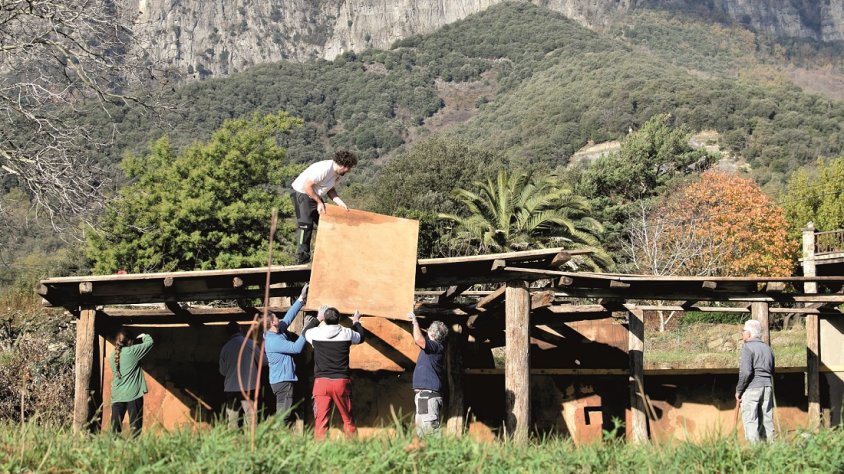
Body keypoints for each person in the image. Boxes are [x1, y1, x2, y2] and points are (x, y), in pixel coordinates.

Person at [304, 305, 366, 439]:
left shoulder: (316, 333)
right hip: (341, 382)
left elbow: (305, 332)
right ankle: (352, 449)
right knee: (347, 419)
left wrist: (317, 318)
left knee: (320, 421)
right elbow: (361, 337)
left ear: (324, 320)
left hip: (321, 382)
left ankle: (320, 453)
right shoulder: (347, 333)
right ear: (339, 319)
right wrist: (356, 321)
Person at [264, 283, 319, 425]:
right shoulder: (273, 340)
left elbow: (288, 318)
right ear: (272, 323)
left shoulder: (277, 331)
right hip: (283, 382)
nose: (279, 319)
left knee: (284, 414)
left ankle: (279, 440)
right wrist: (308, 328)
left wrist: (301, 298)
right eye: (276, 318)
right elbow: (296, 348)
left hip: (281, 381)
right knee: (285, 416)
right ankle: (279, 442)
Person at [290, 150, 358, 264]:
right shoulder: (324, 168)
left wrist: (339, 202)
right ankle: (302, 260)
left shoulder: (337, 174)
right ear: (342, 165)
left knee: (327, 223)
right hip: (301, 194)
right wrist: (319, 202)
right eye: (349, 168)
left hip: (314, 195)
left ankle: (328, 257)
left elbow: (330, 189)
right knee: (305, 226)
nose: (349, 171)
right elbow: (307, 187)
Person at [219, 320, 266, 430]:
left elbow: (223, 372)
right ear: (240, 330)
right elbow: (263, 362)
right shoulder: (249, 343)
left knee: (232, 421)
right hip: (248, 387)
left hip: (230, 388)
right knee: (251, 419)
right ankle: (253, 444)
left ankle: (233, 445)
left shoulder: (225, 348)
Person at [407, 311, 448, 436]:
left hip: (428, 395)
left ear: (432, 333)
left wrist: (415, 322)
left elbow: (419, 340)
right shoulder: (434, 347)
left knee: (431, 433)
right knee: (422, 433)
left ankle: (442, 455)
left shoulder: (436, 346)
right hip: (425, 396)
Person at [735, 319, 775, 443]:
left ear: (749, 333)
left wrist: (739, 390)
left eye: (743, 331)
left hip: (752, 387)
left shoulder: (748, 347)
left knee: (750, 421)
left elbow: (746, 372)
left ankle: (755, 453)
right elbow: (772, 370)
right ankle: (771, 451)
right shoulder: (768, 348)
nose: (742, 334)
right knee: (767, 420)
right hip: (767, 387)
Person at [110, 328, 154, 438]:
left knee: (115, 428)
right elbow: (150, 342)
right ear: (129, 341)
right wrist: (143, 335)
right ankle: (134, 451)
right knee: (136, 427)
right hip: (133, 394)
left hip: (117, 395)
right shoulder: (132, 351)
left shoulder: (112, 356)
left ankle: (113, 451)